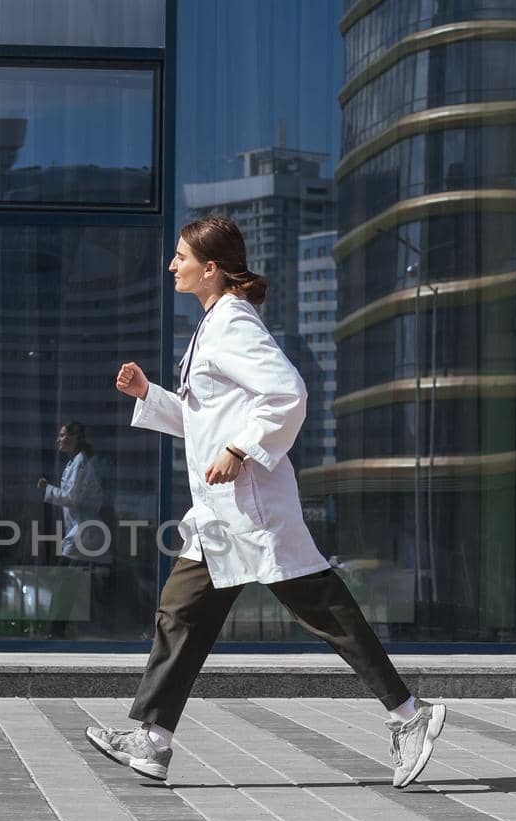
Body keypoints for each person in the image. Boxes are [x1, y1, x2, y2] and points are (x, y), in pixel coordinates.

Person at [85, 215, 445, 787]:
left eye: (181, 257)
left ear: (211, 268)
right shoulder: (212, 325)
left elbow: (287, 393)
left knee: (326, 613)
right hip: (221, 514)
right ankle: (152, 741)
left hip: (251, 508)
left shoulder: (231, 323)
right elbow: (206, 419)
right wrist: (149, 395)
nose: (171, 265)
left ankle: (410, 715)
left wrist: (240, 448)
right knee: (180, 615)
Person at [38, 423, 111, 635]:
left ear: (76, 437)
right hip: (81, 532)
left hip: (84, 533)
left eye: (63, 435)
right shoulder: (75, 463)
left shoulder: (80, 463)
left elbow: (73, 498)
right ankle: (60, 629)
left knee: (65, 581)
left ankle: (55, 630)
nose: (58, 440)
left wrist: (47, 489)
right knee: (75, 582)